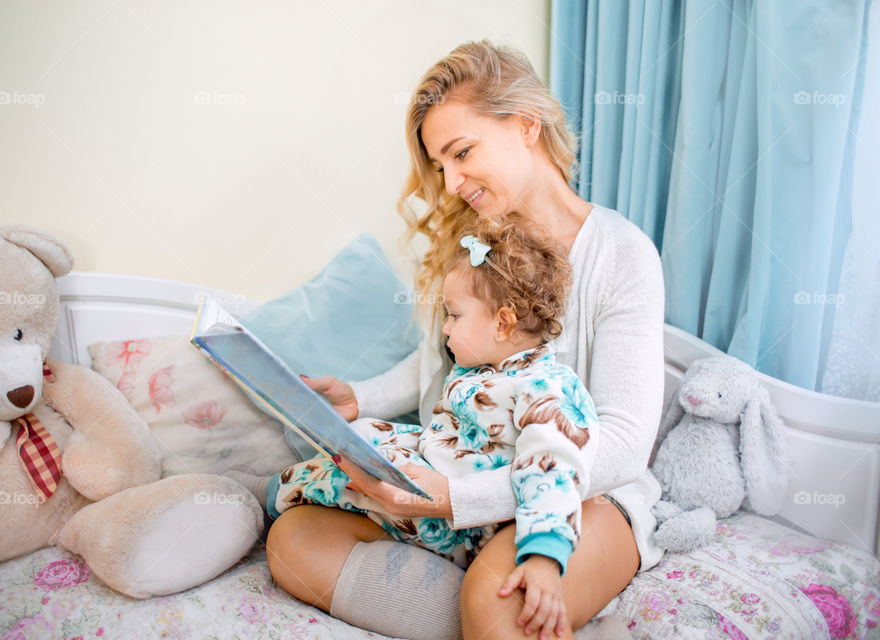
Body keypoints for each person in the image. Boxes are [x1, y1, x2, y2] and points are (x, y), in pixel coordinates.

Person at [261, 40, 665, 640]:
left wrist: (459, 499)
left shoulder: (622, 253)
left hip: (578, 491)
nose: (450, 184)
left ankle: (487, 606)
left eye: (462, 153)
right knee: (294, 539)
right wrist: (359, 398)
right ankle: (474, 609)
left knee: (504, 602)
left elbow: (626, 444)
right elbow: (440, 363)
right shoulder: (475, 250)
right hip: (463, 468)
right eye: (440, 166)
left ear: (527, 125)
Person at [262, 216, 598, 636]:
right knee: (366, 434)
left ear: (504, 323)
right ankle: (288, 488)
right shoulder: (486, 366)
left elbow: (554, 472)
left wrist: (545, 558)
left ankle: (278, 492)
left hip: (465, 522)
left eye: (454, 315)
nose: (445, 328)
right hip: (437, 473)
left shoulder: (545, 389)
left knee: (371, 452)